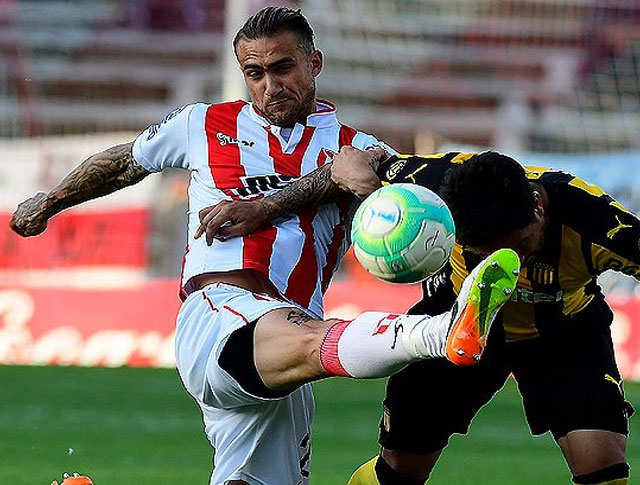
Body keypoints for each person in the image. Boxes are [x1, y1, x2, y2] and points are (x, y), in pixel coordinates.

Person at [9, 8, 522, 485]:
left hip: (287, 349)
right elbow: (124, 161)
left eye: (283, 68)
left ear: (314, 62)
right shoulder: (202, 125)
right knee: (306, 336)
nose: (270, 86)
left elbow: (391, 195)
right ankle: (441, 334)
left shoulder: (361, 149)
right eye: (255, 74)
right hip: (219, 315)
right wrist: (50, 201)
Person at [196, 149, 640, 485]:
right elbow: (352, 161)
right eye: (482, 254)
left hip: (564, 335)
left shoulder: (598, 222)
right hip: (455, 321)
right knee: (402, 472)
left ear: (537, 206)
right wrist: (361, 185)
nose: (514, 262)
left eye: (520, 248)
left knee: (602, 465)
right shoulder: (434, 182)